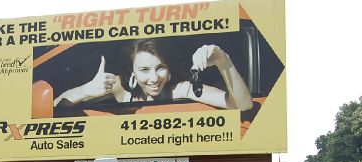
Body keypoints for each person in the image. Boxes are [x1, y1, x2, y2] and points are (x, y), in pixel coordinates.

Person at [53, 38, 253, 111]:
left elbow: (242, 104)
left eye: (160, 67)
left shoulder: (181, 89)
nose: (154, 78)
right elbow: (54, 107)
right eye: (144, 70)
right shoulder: (118, 87)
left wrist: (222, 60)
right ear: (132, 71)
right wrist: (85, 90)